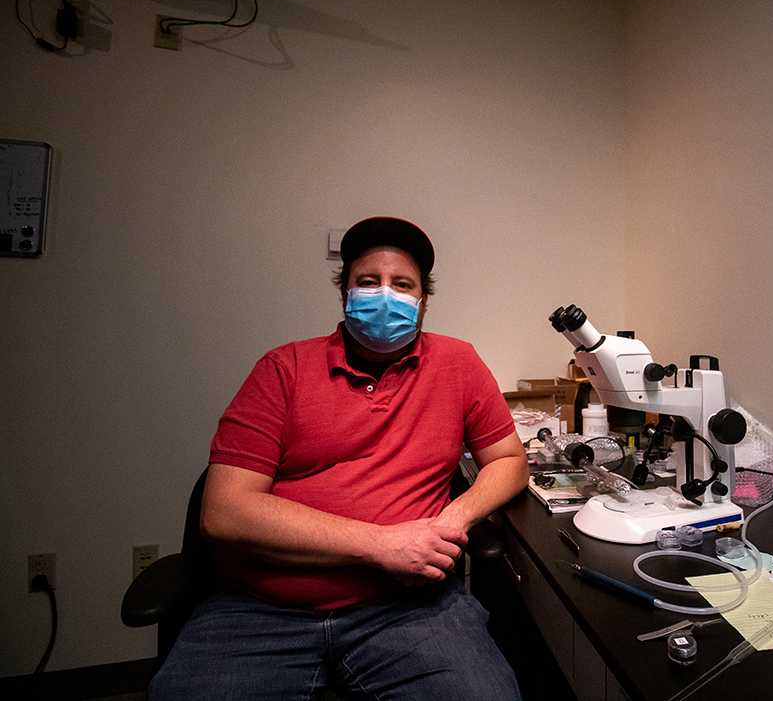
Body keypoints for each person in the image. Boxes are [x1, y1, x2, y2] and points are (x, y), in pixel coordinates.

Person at [150, 216, 529, 700]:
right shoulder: (282, 369)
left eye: (402, 284)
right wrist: (380, 544)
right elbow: (225, 511)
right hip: (262, 608)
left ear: (423, 301)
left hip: (408, 608)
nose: (385, 294)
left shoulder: (457, 363)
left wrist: (451, 519)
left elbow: (509, 461)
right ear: (345, 294)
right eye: (368, 282)